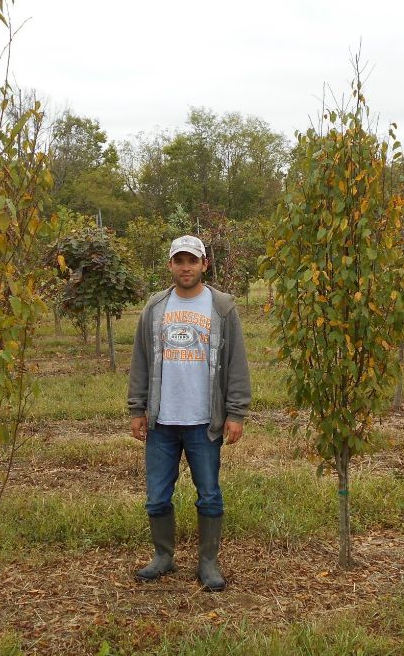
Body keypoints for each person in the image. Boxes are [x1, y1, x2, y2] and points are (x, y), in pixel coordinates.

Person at [127, 234, 251, 592]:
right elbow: (141, 360)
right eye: (179, 261)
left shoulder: (222, 308)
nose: (186, 267)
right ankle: (163, 557)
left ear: (204, 265)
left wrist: (236, 412)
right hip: (162, 422)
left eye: (192, 261)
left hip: (203, 422)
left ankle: (208, 562)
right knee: (156, 496)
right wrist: (137, 407)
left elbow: (236, 363)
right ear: (170, 265)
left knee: (209, 494)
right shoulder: (155, 307)